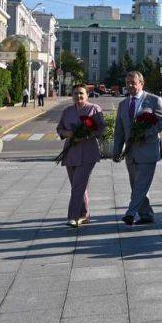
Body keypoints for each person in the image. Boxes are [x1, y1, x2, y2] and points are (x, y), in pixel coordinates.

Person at [113, 71, 162, 226]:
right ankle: (146, 215)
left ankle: (130, 213)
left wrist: (146, 133)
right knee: (136, 185)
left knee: (141, 184)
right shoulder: (123, 104)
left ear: (141, 83)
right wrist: (116, 151)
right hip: (130, 153)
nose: (130, 86)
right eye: (127, 83)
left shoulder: (154, 100)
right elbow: (119, 130)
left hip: (148, 150)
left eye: (133, 82)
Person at [56, 85, 106, 227]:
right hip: (70, 152)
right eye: (76, 93)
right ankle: (85, 215)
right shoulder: (67, 111)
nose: (78, 96)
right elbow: (60, 129)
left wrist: (87, 135)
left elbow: (101, 127)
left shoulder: (94, 109)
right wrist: (69, 134)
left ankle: (73, 216)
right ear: (72, 95)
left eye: (81, 93)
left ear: (87, 94)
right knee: (78, 186)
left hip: (88, 151)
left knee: (78, 185)